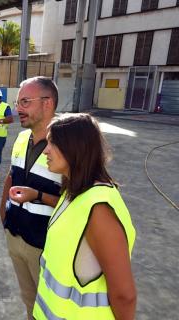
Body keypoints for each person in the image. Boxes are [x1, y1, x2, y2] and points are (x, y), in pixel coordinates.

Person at [33, 113, 136, 319]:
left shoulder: (99, 210)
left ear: (74, 148)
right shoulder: (73, 192)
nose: (45, 150)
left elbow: (124, 295)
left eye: (53, 143)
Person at [0, 77, 62, 319]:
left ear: (47, 103)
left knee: (50, 308)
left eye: (25, 102)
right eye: (18, 102)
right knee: (29, 301)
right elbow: (12, 174)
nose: (18, 109)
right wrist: (3, 212)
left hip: (45, 245)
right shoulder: (23, 137)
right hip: (15, 235)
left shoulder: (68, 142)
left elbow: (78, 202)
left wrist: (38, 196)